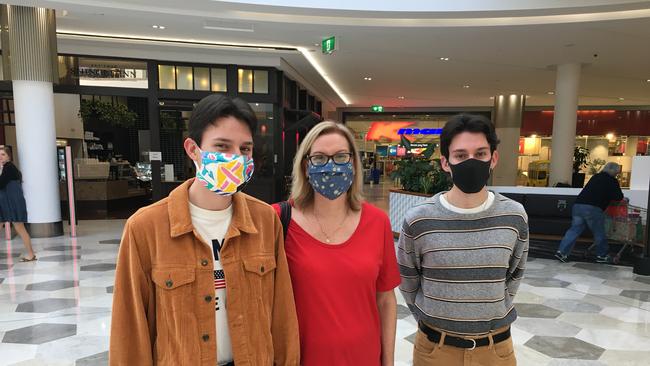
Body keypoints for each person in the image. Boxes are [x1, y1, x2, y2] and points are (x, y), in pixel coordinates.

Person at [110, 95, 300, 366]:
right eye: (222, 146)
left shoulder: (264, 221)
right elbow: (129, 327)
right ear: (193, 149)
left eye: (244, 149)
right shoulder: (146, 227)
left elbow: (282, 313)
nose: (235, 158)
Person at [398, 114, 529, 366]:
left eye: (480, 154)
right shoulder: (419, 220)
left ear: (494, 158)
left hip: (495, 350)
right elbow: (408, 282)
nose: (471, 162)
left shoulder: (514, 215)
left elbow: (514, 274)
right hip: (435, 350)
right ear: (445, 163)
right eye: (460, 155)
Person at [273, 121, 400, 366]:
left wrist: (389, 361)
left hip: (363, 357)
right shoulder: (278, 220)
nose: (332, 166)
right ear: (306, 166)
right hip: (301, 358)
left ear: (353, 163)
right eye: (319, 158)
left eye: (341, 156)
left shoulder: (377, 222)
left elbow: (385, 299)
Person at [555, 162, 624, 264]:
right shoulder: (611, 180)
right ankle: (602, 255)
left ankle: (562, 252)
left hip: (578, 205)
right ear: (613, 171)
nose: (616, 175)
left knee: (574, 230)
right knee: (599, 232)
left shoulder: (595, 177)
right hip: (593, 208)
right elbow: (618, 196)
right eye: (617, 173)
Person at [0, 146, 35, 262]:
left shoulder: (8, 167)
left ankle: (31, 254)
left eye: (3, 154)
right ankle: (31, 254)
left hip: (13, 204)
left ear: (9, 156)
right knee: (18, 227)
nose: (0, 157)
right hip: (7, 203)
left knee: (19, 227)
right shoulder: (7, 167)